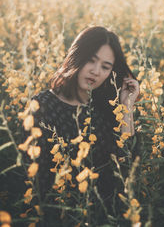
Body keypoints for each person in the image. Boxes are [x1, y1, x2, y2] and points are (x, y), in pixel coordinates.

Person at [31, 26, 140, 224]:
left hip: (107, 217)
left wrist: (127, 107)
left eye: (105, 67)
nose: (95, 71)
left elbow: (128, 168)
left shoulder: (108, 106)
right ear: (76, 57)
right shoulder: (42, 105)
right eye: (91, 60)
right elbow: (38, 181)